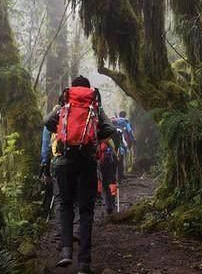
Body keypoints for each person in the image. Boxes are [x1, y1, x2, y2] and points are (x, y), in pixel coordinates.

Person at [44, 76, 118, 273]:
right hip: (86, 162)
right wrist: (93, 138)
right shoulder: (94, 107)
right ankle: (84, 264)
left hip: (63, 161)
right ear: (88, 90)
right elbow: (109, 128)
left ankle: (66, 252)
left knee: (65, 205)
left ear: (73, 89)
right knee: (86, 211)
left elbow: (47, 122)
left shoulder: (64, 104)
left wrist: (61, 131)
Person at [112, 111, 136, 182]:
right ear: (125, 116)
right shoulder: (125, 122)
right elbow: (130, 131)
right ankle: (121, 175)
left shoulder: (114, 121)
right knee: (122, 159)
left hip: (113, 143)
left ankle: (116, 176)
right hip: (123, 141)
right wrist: (133, 140)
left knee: (115, 160)